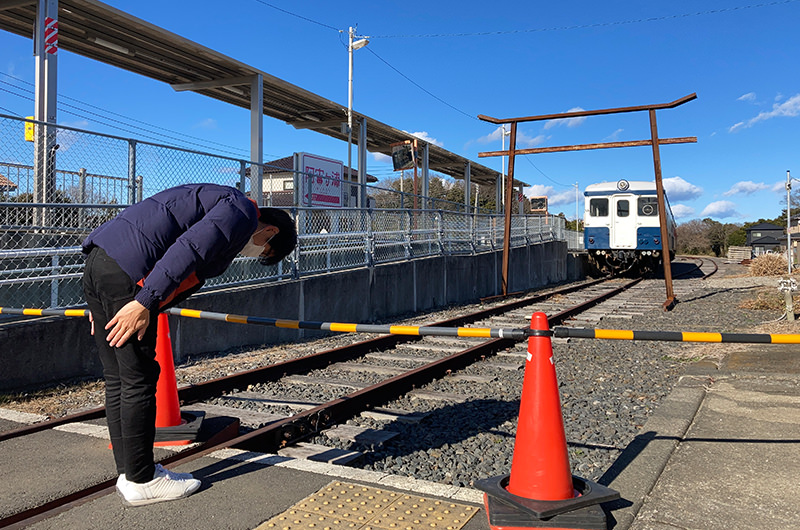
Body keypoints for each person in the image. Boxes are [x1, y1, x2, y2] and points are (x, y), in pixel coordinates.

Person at [81, 183, 297, 506]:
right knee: (138, 379)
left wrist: (105, 300)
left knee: (118, 378)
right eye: (266, 250)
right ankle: (142, 479)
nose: (256, 253)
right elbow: (189, 249)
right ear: (270, 230)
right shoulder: (241, 212)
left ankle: (130, 474)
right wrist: (144, 301)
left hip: (101, 261)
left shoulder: (222, 199)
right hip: (130, 274)